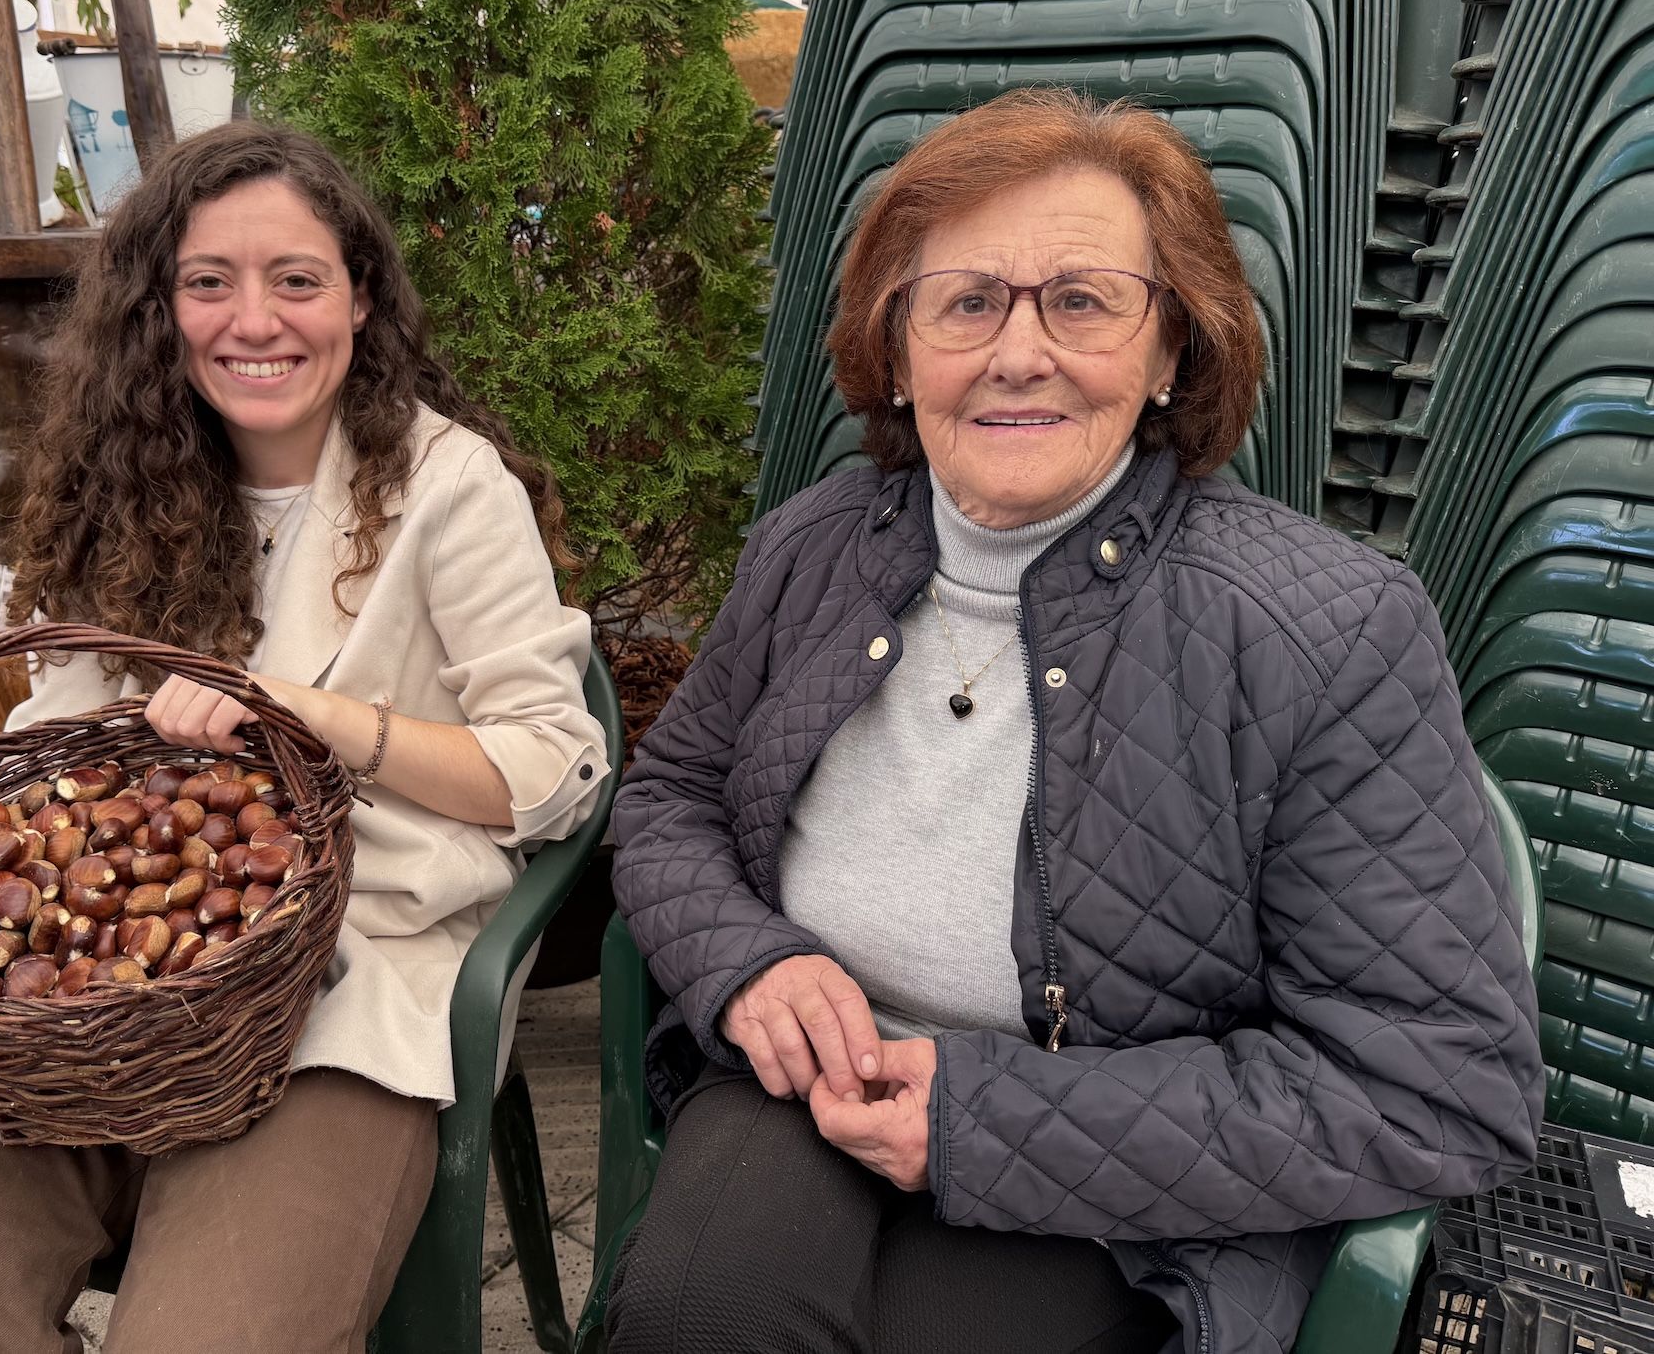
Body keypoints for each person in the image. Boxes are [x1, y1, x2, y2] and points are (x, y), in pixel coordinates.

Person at [605, 89, 1544, 1354]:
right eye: (965, 301)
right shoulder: (805, 551)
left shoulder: (1325, 628)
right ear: (895, 348)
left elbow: (1438, 1083)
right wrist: (746, 961)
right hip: (800, 1091)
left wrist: (978, 1123)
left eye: (1083, 300)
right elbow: (667, 802)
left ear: (1170, 352)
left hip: (1123, 1166)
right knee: (694, 1323)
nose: (1016, 351)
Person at [0, 121, 610, 1353]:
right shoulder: (114, 489)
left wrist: (307, 717)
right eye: (208, 283)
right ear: (157, 309)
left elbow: (550, 772)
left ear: (361, 298)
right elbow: (47, 757)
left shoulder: (449, 489)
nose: (255, 320)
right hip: (76, 1006)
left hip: (349, 976)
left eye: (296, 280)